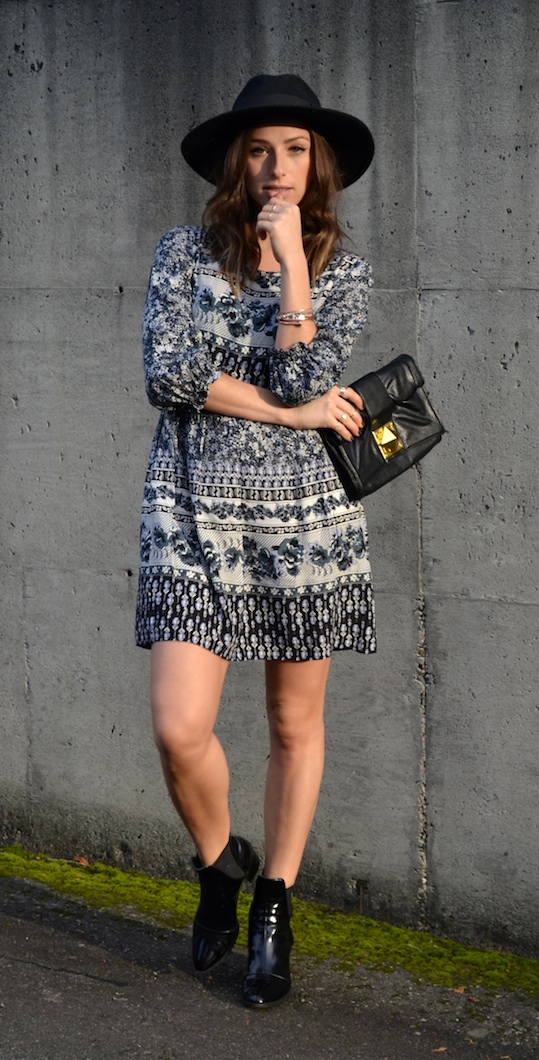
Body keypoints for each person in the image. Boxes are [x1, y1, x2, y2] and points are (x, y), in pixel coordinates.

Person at [135, 74, 377, 1007]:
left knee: (292, 723)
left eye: (298, 149)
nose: (279, 167)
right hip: (191, 507)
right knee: (178, 724)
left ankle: (274, 901)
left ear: (318, 165)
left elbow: (319, 369)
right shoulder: (178, 255)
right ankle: (217, 867)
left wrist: (294, 273)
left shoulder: (341, 269)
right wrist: (294, 407)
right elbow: (171, 375)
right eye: (264, 148)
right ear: (237, 158)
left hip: (306, 521)